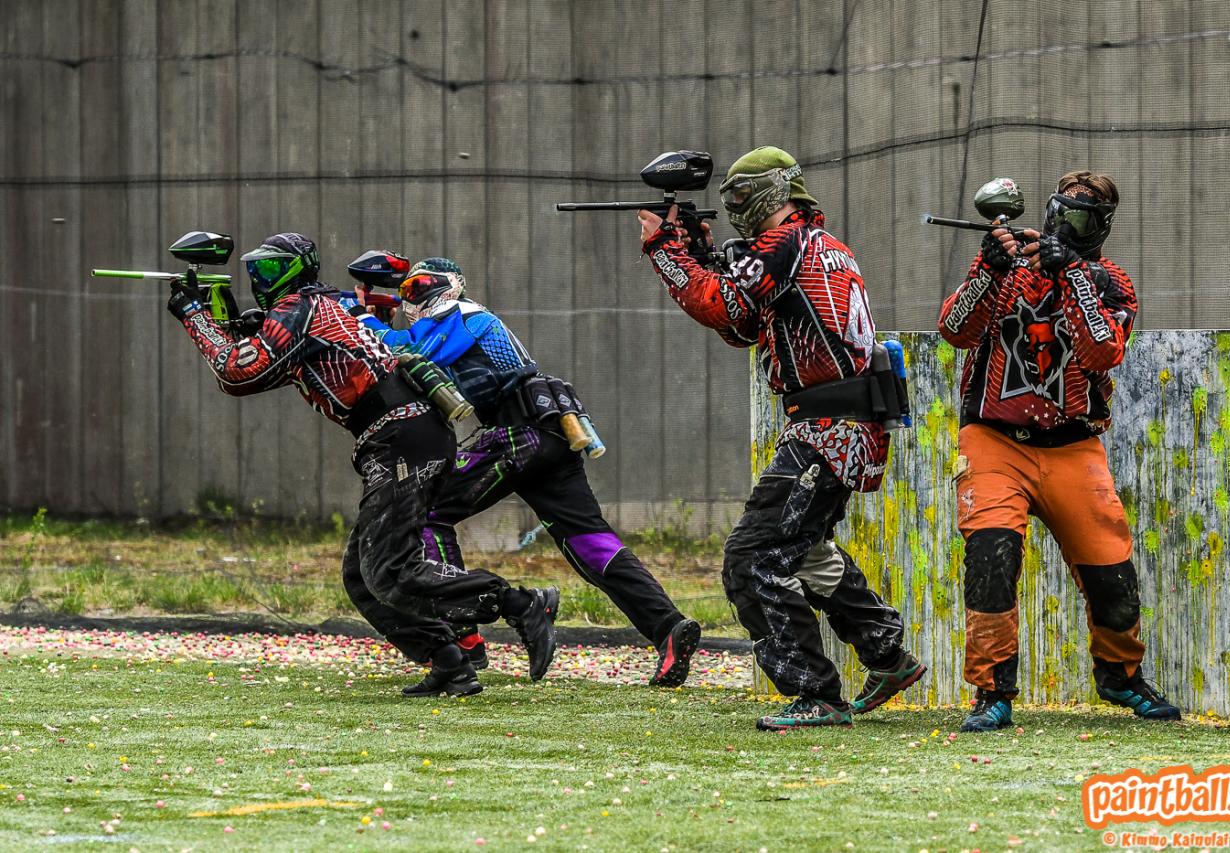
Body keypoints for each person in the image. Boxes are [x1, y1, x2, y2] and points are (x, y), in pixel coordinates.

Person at [166, 232, 558, 697]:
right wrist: (233, 325)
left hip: (403, 436)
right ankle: (449, 663)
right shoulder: (312, 306)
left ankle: (522, 604)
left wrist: (195, 316)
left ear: (297, 271)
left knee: (391, 570)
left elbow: (237, 370)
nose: (261, 279)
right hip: (404, 436)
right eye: (256, 270)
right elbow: (248, 369)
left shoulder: (299, 309)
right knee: (362, 576)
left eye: (270, 269)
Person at [637, 146, 925, 730]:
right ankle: (886, 655)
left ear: (776, 191)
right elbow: (743, 326)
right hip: (840, 422)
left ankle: (815, 693)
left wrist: (667, 250)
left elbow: (720, 306)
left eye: (742, 195)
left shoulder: (784, 244)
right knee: (806, 551)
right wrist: (703, 257)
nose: (735, 206)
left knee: (753, 559)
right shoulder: (817, 244)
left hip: (829, 428)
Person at [345, 256, 702, 689]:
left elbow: (409, 351)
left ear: (450, 284)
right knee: (589, 541)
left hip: (519, 434)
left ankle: (463, 636)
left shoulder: (463, 312)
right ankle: (668, 626)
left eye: (419, 286)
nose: (413, 297)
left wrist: (360, 316)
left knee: (428, 510)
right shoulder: (454, 320)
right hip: (548, 433)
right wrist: (371, 318)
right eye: (406, 291)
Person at [938, 171, 1181, 732]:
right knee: (991, 559)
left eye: (1081, 217)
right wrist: (988, 270)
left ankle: (1120, 677)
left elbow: (1103, 352)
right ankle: (992, 691)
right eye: (1060, 211)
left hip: (1074, 447)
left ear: (1101, 227)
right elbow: (954, 329)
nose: (1065, 224)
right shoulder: (1008, 267)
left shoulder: (1109, 281)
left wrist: (1070, 272)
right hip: (994, 440)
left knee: (1112, 574)